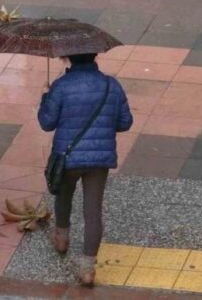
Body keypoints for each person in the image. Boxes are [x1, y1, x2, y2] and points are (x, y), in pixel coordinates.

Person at [37, 53, 133, 287]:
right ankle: (87, 269)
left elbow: (46, 123)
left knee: (63, 196)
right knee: (93, 213)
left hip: (67, 157)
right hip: (99, 159)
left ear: (68, 57)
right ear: (95, 56)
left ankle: (62, 238)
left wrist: (45, 98)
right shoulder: (111, 85)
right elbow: (125, 122)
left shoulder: (60, 87)